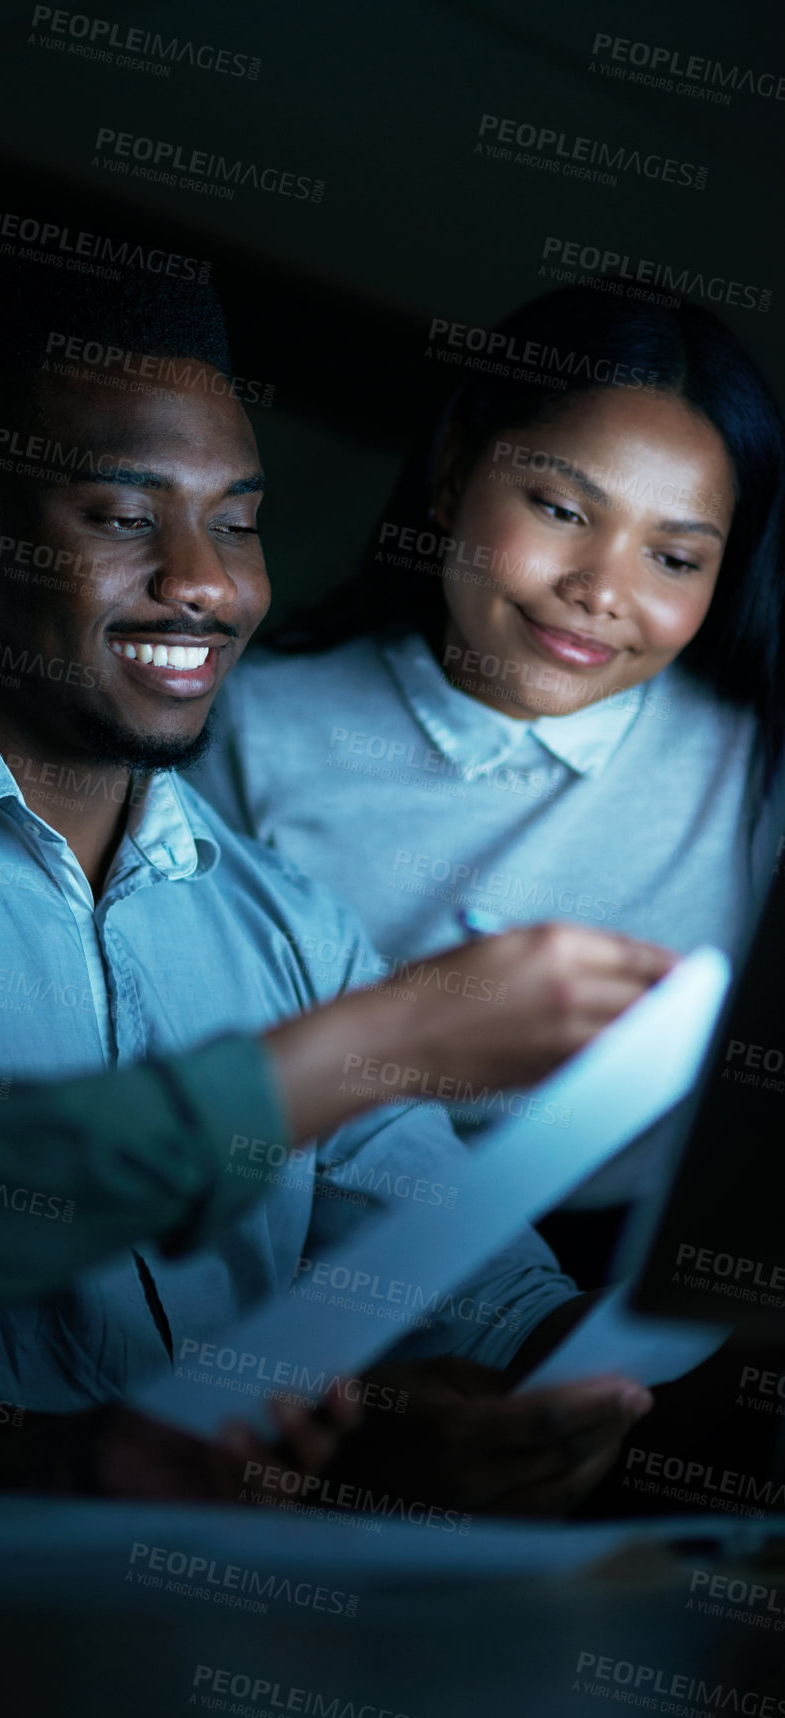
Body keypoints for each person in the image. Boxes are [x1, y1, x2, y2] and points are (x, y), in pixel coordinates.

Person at [0, 255, 669, 1513]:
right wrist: (88, 1465)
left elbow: (464, 1282)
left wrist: (561, 1387)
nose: (205, 580)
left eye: (237, 520)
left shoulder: (288, 922)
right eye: (125, 517)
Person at [191, 282, 785, 1283]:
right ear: (455, 469)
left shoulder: (755, 772)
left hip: (637, 1272)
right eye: (561, 509)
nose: (601, 590)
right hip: (312, 1254)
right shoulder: (250, 727)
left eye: (674, 557)